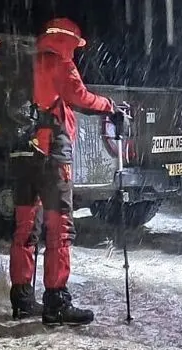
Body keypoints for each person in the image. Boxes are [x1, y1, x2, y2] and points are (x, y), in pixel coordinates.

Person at [8, 17, 128, 325]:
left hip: (21, 152)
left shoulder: (25, 63)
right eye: (75, 45)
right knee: (58, 228)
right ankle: (56, 301)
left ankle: (22, 298)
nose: (76, 51)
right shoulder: (59, 62)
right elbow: (79, 96)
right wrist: (110, 106)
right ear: (67, 41)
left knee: (25, 229)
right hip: (51, 155)